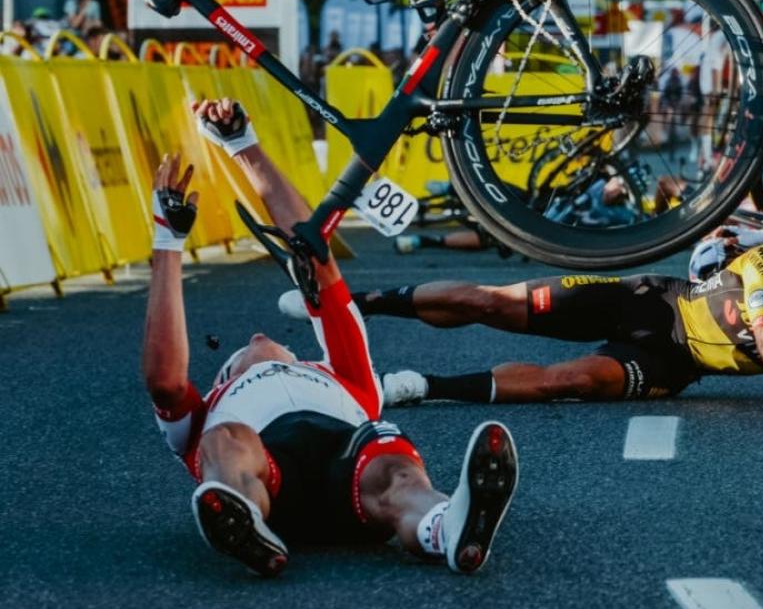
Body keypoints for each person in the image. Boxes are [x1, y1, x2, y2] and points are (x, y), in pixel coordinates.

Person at [143, 99, 519, 577]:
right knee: (223, 440)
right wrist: (168, 241)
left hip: (355, 477)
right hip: (267, 478)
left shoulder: (343, 375)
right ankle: (244, 518)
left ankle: (446, 527)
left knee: (391, 461)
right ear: (225, 376)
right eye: (241, 353)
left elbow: (313, 255)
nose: (258, 336)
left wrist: (243, 145)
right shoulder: (209, 412)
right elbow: (164, 382)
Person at [285, 214, 763, 414]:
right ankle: (357, 302)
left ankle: (419, 387)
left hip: (672, 363)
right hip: (649, 300)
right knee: (492, 304)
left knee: (568, 382)